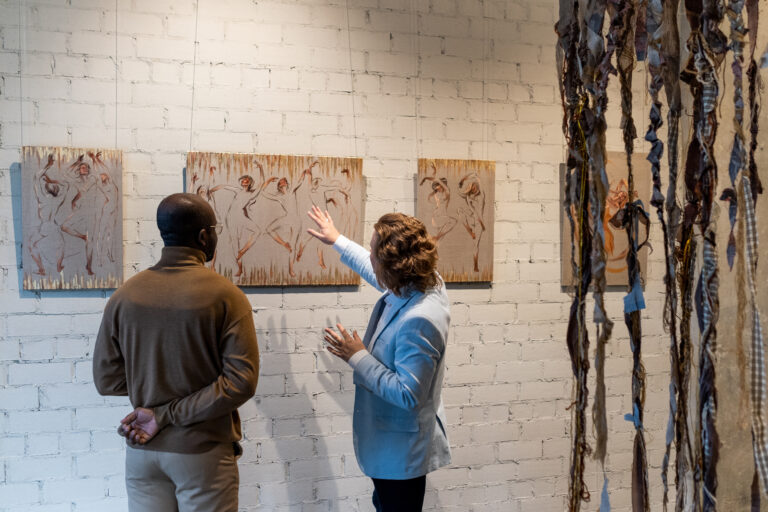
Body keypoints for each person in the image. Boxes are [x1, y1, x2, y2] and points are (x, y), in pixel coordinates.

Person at [93, 193, 260, 512]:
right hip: (201, 454)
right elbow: (241, 383)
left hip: (143, 451)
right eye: (214, 229)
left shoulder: (124, 296)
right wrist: (168, 414)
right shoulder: (227, 296)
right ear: (203, 236)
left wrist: (153, 391)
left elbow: (107, 381)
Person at [307, 205, 451, 512]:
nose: (369, 255)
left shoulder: (421, 318)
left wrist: (357, 356)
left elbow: (408, 394)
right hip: (390, 445)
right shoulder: (422, 281)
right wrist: (337, 241)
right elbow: (378, 273)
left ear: (393, 267)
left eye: (373, 251)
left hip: (401, 451)